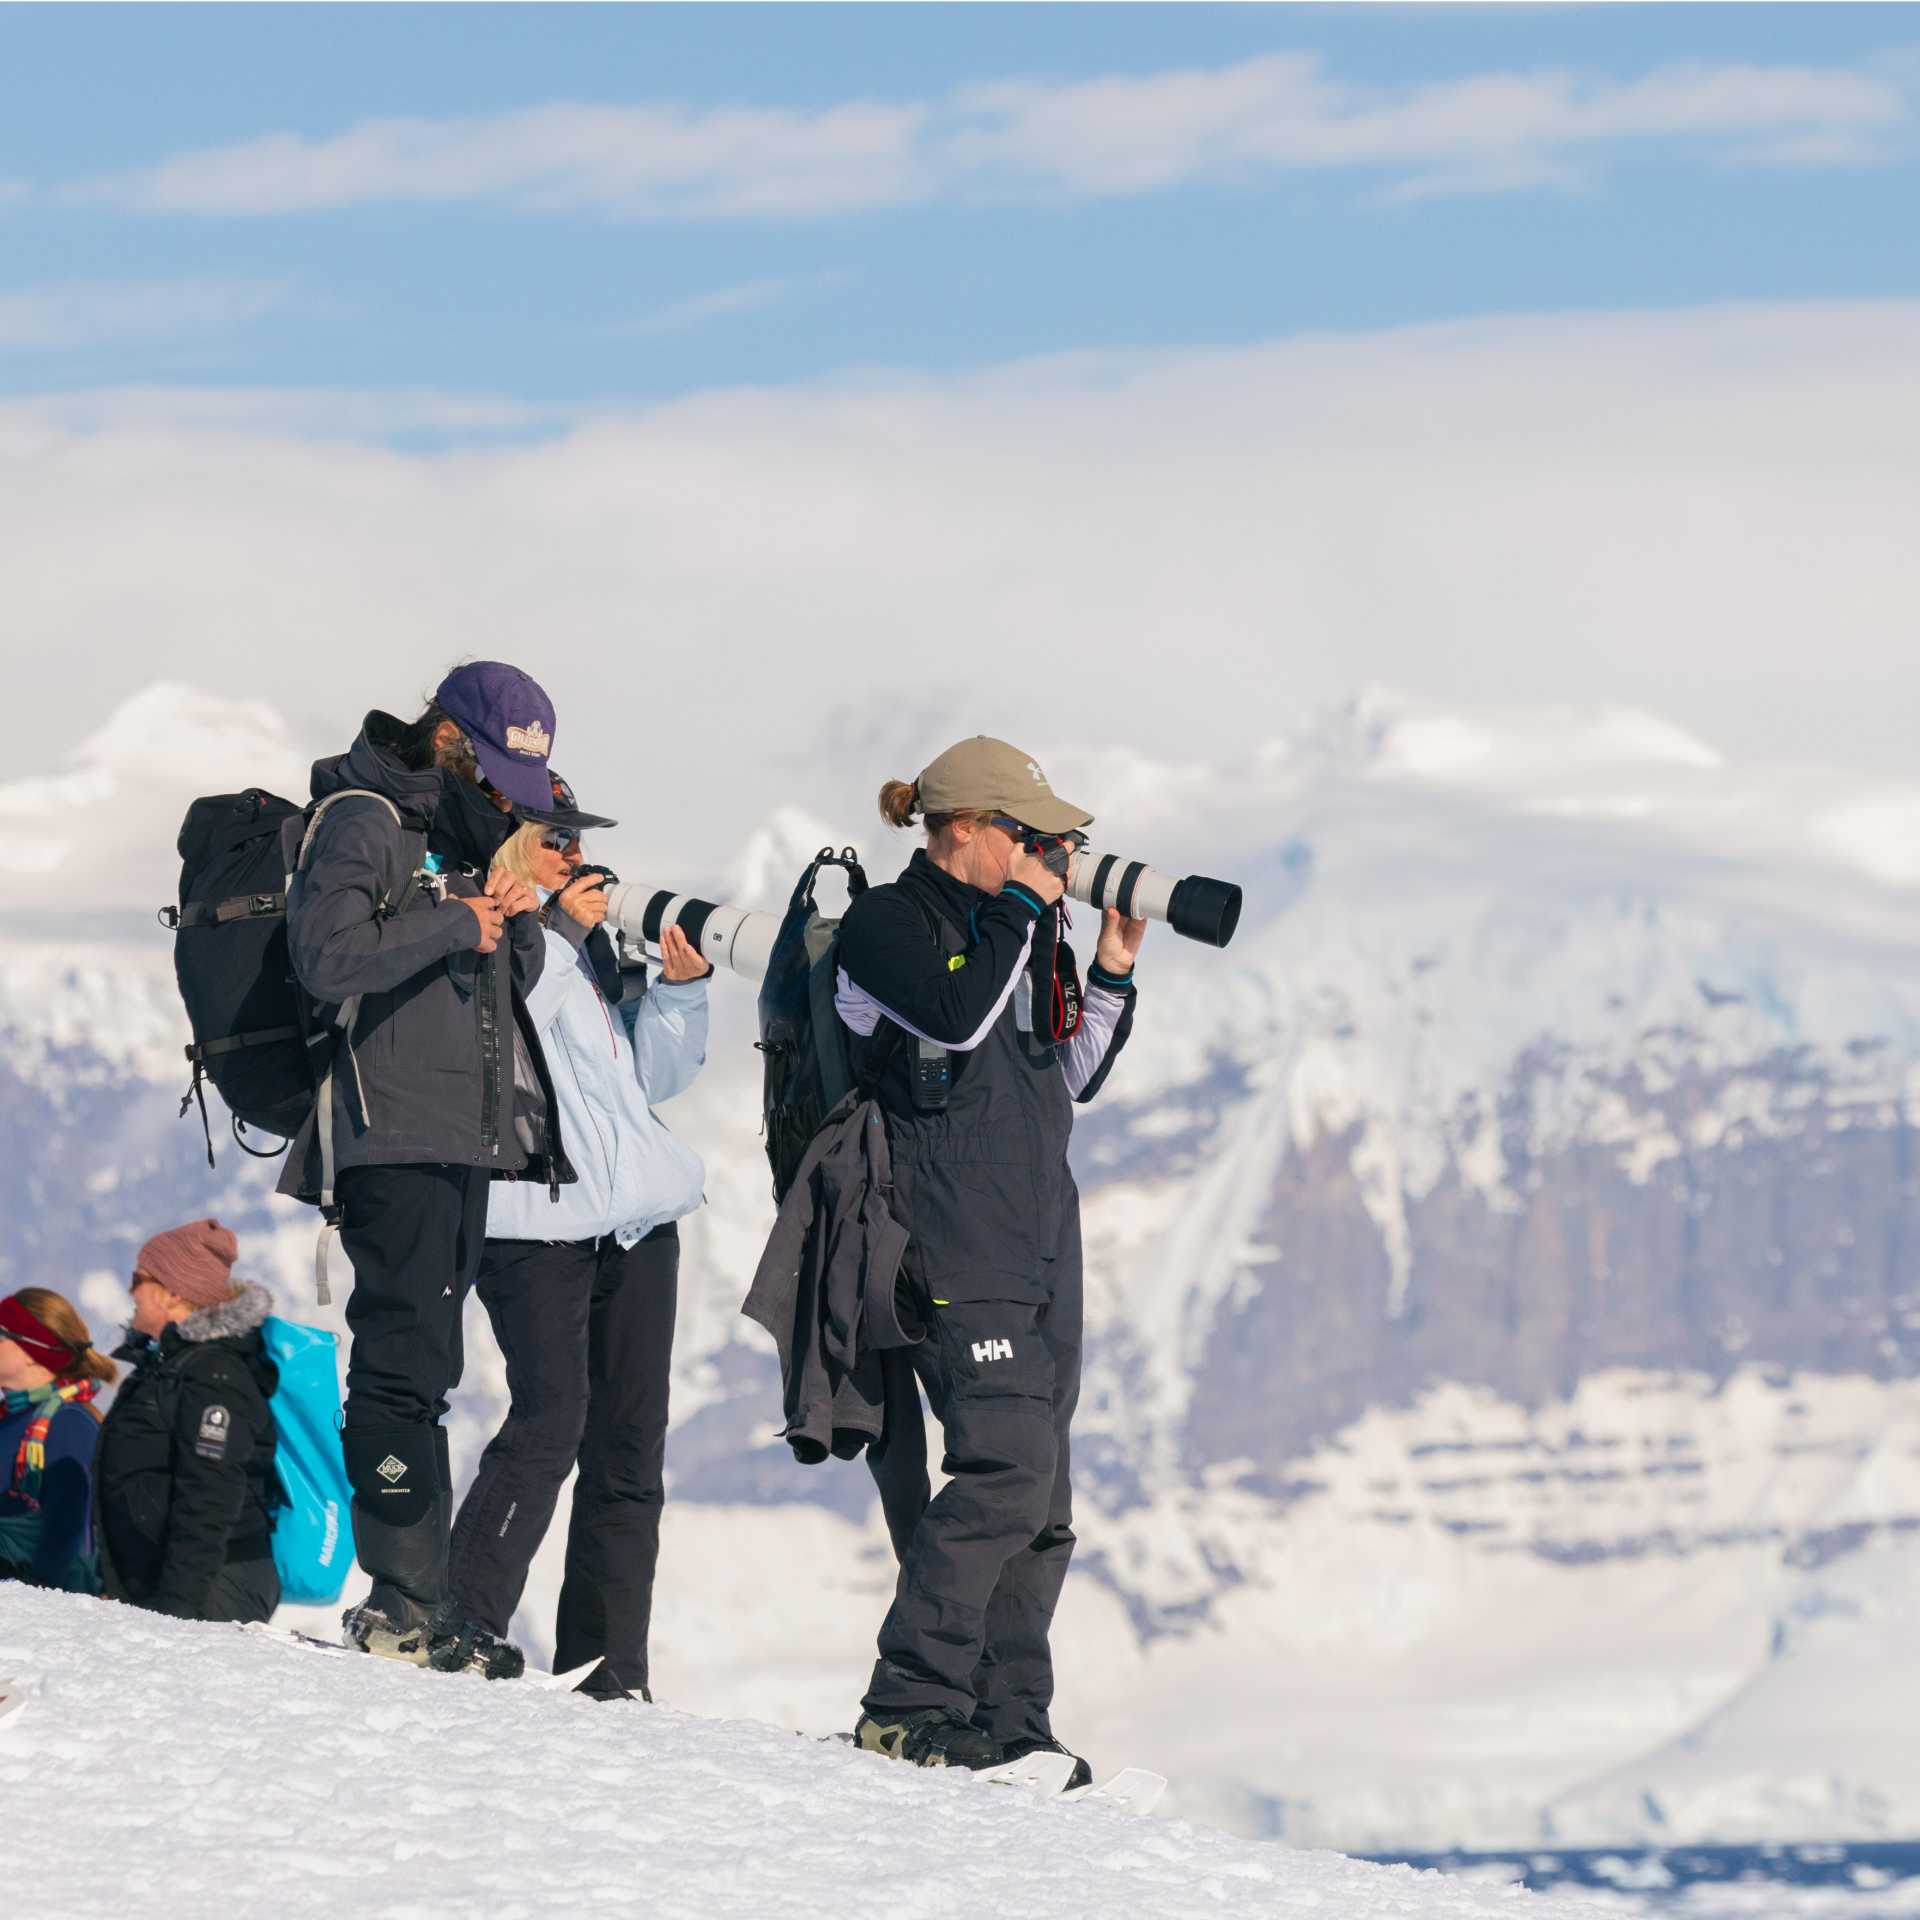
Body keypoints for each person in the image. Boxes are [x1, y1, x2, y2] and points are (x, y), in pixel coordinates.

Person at [835, 736, 1146, 1778]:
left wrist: (1109, 966)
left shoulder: (1024, 933)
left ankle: (1012, 1724)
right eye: (1028, 834)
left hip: (1039, 1228)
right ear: (963, 827)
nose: (1046, 853)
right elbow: (955, 1016)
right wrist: (1023, 908)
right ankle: (910, 1702)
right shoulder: (889, 924)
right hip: (945, 1226)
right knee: (1002, 1470)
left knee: (1043, 1495)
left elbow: (1066, 1076)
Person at [279, 661, 574, 1678]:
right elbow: (323, 958)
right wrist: (457, 919)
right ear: (450, 738)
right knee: (402, 1364)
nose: (505, 799)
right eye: (494, 775)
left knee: (431, 1370)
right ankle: (403, 1603)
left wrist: (518, 911)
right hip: (388, 1128)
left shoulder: (465, 834)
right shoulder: (364, 817)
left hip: (463, 1131)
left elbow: (512, 982)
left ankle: (423, 1598)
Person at [446, 772, 712, 1702]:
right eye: (554, 839)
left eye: (577, 840)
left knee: (630, 1447)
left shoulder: (577, 946)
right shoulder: (487, 925)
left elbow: (643, 1081)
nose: (575, 857)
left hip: (633, 1221)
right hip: (536, 1222)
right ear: (508, 844)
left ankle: (610, 1669)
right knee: (548, 1420)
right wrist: (559, 929)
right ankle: (465, 1617)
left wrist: (679, 995)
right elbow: (512, 1015)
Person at [94, 1220, 282, 1623]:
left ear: (172, 1292)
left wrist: (177, 1608)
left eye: (139, 1278)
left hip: (210, 1586)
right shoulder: (167, 1365)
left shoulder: (216, 1375)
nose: (131, 1291)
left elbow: (211, 1494)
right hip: (168, 1581)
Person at [0, 1288, 116, 1592]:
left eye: (1, 1333)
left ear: (35, 1352)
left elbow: (65, 1533)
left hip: (38, 1612)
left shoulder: (68, 1424)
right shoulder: (10, 1417)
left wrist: (32, 1600)